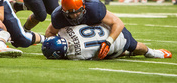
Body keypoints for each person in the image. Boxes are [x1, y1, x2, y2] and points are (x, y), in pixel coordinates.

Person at [45, 0, 125, 59]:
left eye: (78, 11)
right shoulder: (58, 16)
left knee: (137, 48)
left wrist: (108, 42)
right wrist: (58, 48)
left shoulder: (94, 8)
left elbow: (118, 23)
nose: (75, 16)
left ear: (83, 7)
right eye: (71, 13)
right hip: (87, 46)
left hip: (105, 34)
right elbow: (49, 32)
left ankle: (125, 52)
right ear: (64, 12)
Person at [42, 24, 172, 60]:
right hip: (108, 27)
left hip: (119, 39)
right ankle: (132, 53)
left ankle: (152, 52)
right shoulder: (64, 31)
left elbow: (95, 57)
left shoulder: (75, 55)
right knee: (103, 52)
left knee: (136, 47)